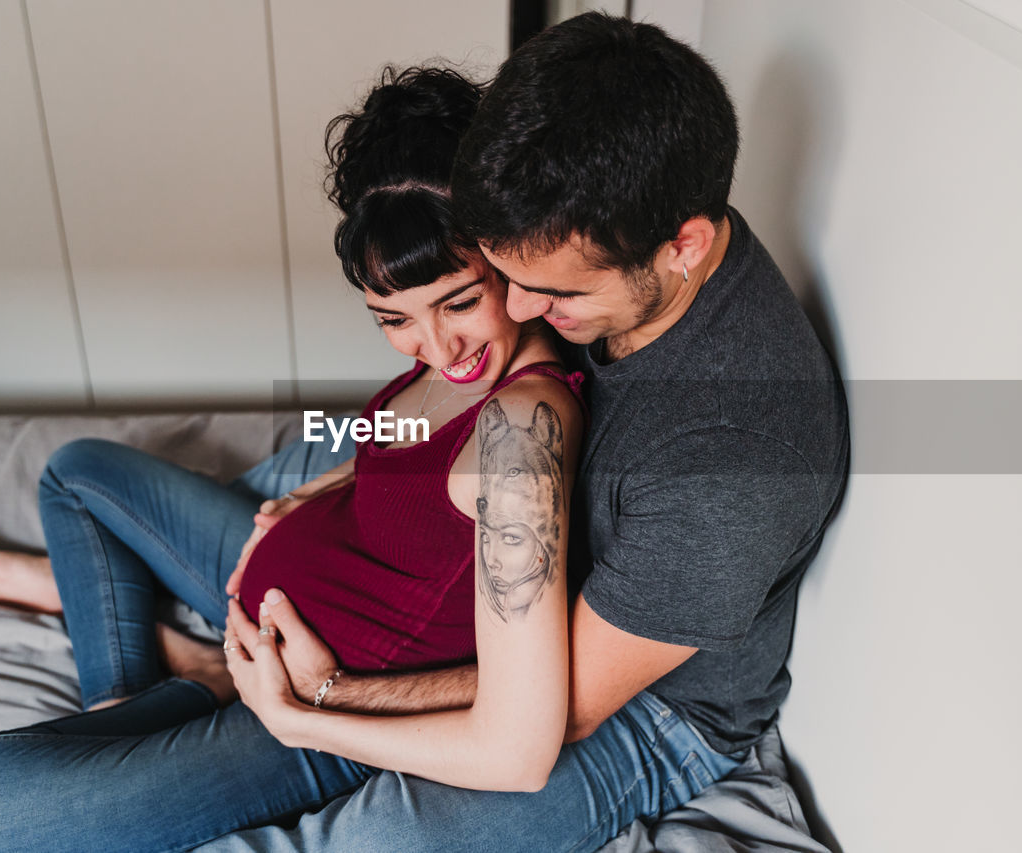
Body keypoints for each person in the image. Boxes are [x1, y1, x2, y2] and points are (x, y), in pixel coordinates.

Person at [184, 12, 850, 853]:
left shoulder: (728, 462)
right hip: (522, 605)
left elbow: (548, 710)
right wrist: (360, 471)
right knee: (280, 474)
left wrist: (327, 699)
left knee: (367, 843)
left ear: (685, 245)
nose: (527, 313)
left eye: (556, 295)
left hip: (648, 709)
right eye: (505, 280)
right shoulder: (626, 229)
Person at [0, 67, 584, 853]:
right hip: (282, 587)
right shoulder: (462, 371)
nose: (438, 347)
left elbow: (520, 737)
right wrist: (321, 485)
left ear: (507, 254)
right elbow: (424, 451)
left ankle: (188, 684)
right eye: (394, 318)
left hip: (306, 707)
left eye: (459, 301)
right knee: (77, 472)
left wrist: (311, 702)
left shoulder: (526, 428)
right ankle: (140, 696)